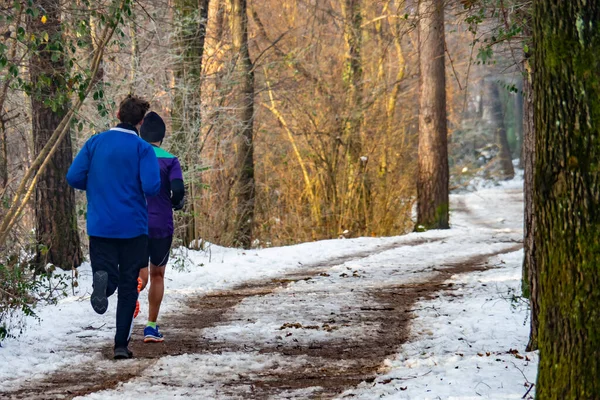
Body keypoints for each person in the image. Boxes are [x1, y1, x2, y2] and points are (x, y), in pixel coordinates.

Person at [66, 96, 161, 359]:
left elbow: (73, 177)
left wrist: (99, 186)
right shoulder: (143, 149)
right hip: (133, 227)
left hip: (100, 225)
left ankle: (103, 285)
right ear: (141, 122)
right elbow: (152, 187)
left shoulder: (95, 142)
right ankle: (121, 346)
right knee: (130, 285)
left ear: (118, 113)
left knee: (106, 273)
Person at [137, 111, 185, 343]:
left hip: (134, 223)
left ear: (141, 133)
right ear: (162, 137)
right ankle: (150, 326)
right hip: (161, 224)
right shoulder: (170, 159)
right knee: (158, 274)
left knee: (138, 273)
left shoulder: (134, 157)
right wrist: (176, 202)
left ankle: (134, 289)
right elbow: (178, 189)